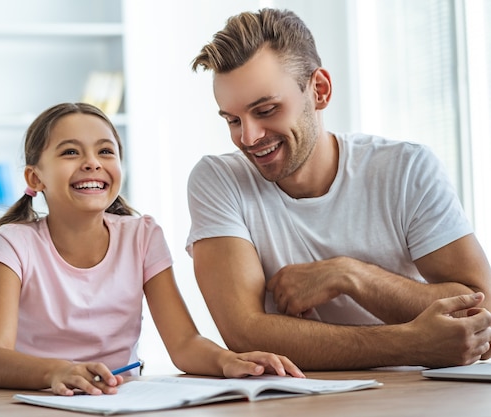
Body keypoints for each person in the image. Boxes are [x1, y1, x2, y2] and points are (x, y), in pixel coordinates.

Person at [187, 8, 491, 370]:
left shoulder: (406, 169)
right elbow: (244, 332)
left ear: (319, 90)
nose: (247, 137)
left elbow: (481, 310)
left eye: (266, 110)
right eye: (233, 120)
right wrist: (410, 344)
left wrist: (351, 276)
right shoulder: (219, 180)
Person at [0, 102, 303, 396]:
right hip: (34, 402)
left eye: (105, 151)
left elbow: (183, 343)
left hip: (115, 403)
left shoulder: (142, 236)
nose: (92, 162)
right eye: (70, 152)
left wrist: (230, 360)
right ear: (35, 178)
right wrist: (56, 373)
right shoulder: (12, 243)